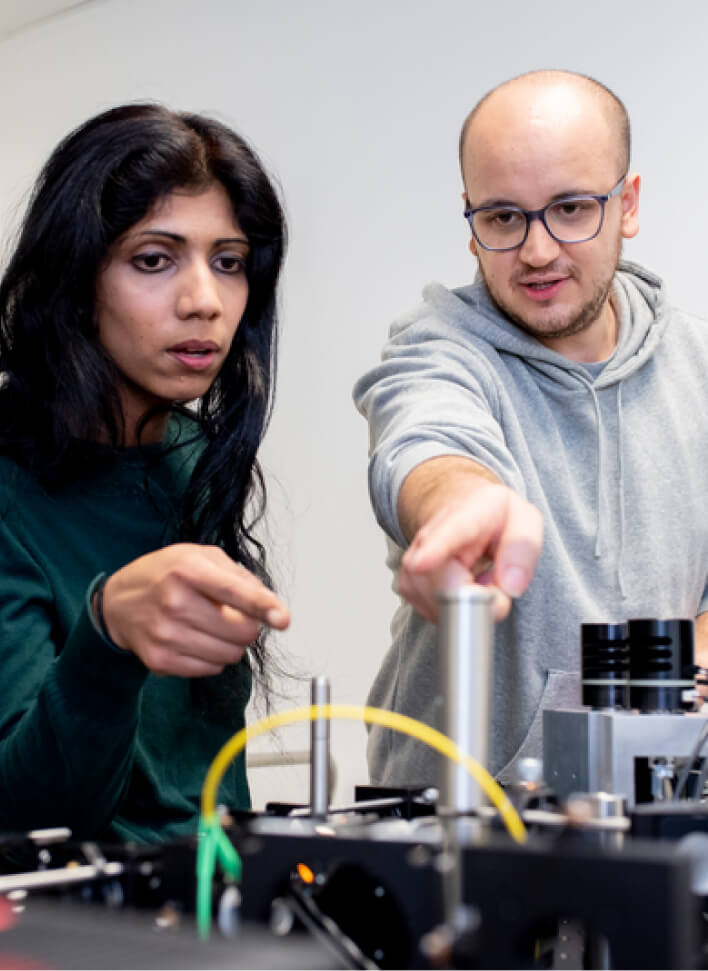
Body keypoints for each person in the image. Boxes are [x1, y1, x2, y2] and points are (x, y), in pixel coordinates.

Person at [354, 69, 708, 789]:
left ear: (628, 203)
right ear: (470, 217)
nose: (538, 250)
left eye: (571, 208)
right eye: (504, 217)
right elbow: (425, 438)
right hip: (462, 826)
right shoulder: (438, 345)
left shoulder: (699, 365)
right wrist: (461, 506)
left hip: (657, 821)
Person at [0, 103, 291, 843]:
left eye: (228, 262)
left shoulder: (193, 454)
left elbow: (202, 782)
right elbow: (27, 817)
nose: (203, 301)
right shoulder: (11, 485)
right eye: (154, 259)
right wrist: (107, 632)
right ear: (75, 275)